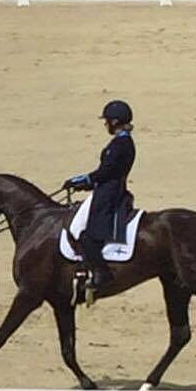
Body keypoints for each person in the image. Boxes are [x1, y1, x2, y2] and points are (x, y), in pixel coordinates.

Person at [63, 100, 136, 290]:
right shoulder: (122, 142)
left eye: (107, 121)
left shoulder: (121, 144)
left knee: (86, 235)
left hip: (109, 194)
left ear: (114, 122)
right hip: (107, 188)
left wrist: (84, 179)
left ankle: (101, 273)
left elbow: (107, 171)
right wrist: (87, 183)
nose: (105, 124)